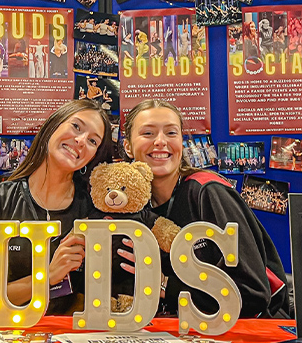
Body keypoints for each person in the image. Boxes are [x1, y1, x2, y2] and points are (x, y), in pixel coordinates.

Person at [120, 99, 290, 318]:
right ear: (128, 146)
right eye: (148, 133)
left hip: (252, 327)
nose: (160, 141)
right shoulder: (132, 204)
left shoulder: (208, 191)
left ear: (182, 142)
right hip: (183, 327)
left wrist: (164, 285)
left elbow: (252, 294)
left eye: (171, 133)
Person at [0, 100, 113, 315]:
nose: (80, 140)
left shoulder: (93, 211)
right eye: (76, 126)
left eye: (93, 141)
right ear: (52, 126)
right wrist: (46, 277)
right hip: (3, 329)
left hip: (66, 332)